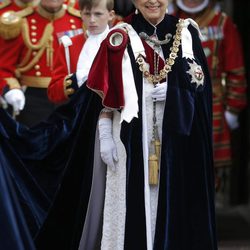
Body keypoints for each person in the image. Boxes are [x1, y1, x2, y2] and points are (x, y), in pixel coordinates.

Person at [0, 0, 217, 249]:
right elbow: (100, 101)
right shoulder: (118, 36)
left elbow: (201, 92)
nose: (152, 1)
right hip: (129, 142)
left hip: (177, 142)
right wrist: (104, 135)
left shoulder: (187, 33)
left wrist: (176, 92)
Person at [173, 0, 247, 196]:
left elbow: (236, 70)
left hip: (211, 108)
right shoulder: (170, 20)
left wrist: (232, 109)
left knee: (207, 175)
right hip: (177, 104)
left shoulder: (223, 24)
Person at [0, 0, 83, 127]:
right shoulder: (21, 21)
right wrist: (12, 89)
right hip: (32, 100)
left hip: (70, 95)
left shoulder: (79, 20)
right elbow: (4, 68)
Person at [47, 0, 115, 104]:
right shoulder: (69, 45)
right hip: (78, 115)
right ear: (81, 15)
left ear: (111, 15)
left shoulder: (119, 42)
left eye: (98, 14)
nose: (92, 20)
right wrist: (76, 79)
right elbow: (53, 93)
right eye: (87, 14)